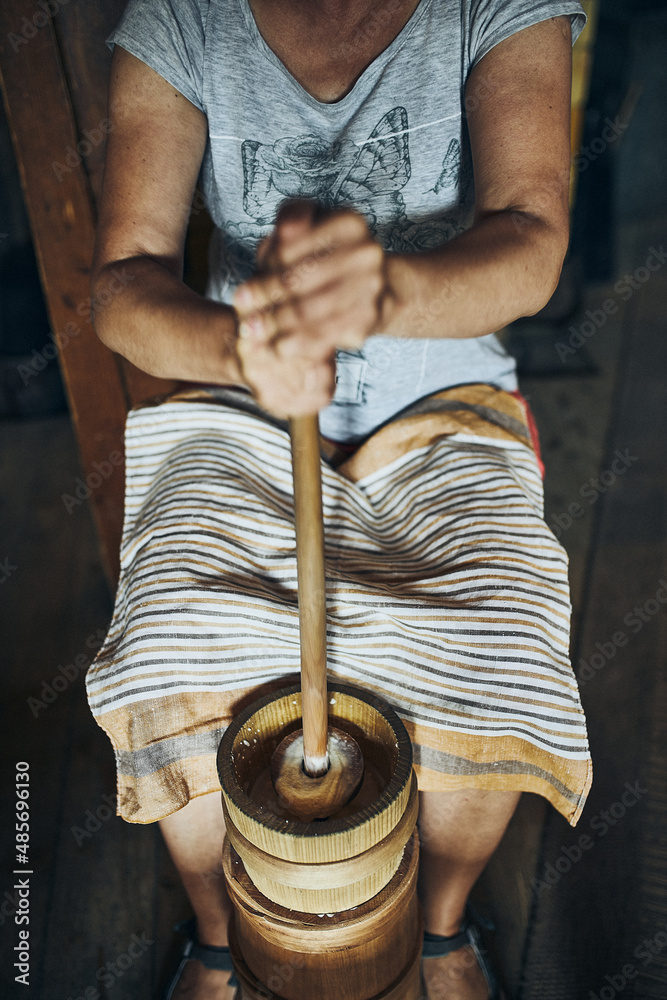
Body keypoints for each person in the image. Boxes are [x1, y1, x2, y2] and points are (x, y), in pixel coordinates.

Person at [86, 1, 592, 997]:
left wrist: (384, 294)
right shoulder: (183, 16)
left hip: (444, 399)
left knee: (497, 641)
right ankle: (222, 932)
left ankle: (437, 927)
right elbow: (121, 286)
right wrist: (240, 348)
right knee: (168, 642)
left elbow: (532, 242)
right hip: (243, 397)